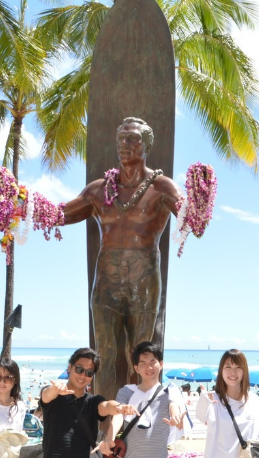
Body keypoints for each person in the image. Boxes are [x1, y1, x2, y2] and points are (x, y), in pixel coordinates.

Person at [55, 118, 183, 403]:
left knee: (141, 354)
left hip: (145, 275)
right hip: (107, 278)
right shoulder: (98, 190)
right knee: (104, 353)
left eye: (133, 139)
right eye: (121, 139)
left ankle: (138, 418)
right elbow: (58, 214)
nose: (125, 145)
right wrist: (19, 204)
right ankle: (100, 419)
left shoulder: (161, 187)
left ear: (147, 145)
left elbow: (192, 220)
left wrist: (201, 198)